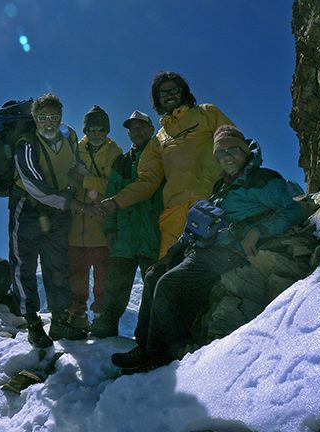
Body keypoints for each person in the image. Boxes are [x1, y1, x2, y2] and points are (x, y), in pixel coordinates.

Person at [111, 125, 305, 374]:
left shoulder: (264, 179)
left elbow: (292, 211)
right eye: (220, 154)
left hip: (227, 252)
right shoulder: (221, 186)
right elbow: (201, 223)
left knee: (170, 284)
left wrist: (259, 231)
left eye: (232, 150)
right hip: (201, 247)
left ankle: (159, 356)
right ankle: (144, 346)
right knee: (153, 274)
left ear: (245, 150)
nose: (227, 157)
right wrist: (172, 251)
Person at [98, 71, 234, 258]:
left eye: (174, 90)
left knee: (215, 271)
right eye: (163, 92)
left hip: (212, 205)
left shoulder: (207, 113)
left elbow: (232, 143)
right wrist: (116, 201)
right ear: (157, 99)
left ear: (183, 91)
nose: (169, 95)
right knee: (167, 275)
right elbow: (147, 181)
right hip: (174, 217)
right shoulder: (158, 140)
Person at [9, 93, 98, 348]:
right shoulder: (26, 144)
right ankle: (33, 323)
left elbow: (76, 166)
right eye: (43, 117)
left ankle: (59, 321)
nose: (49, 122)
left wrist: (90, 187)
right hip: (27, 208)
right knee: (24, 264)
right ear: (35, 119)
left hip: (58, 211)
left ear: (61, 117)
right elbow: (36, 186)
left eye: (54, 117)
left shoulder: (69, 135)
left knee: (57, 265)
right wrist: (76, 204)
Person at [90, 111, 163, 338]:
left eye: (141, 127)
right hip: (124, 235)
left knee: (154, 286)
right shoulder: (121, 162)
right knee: (115, 286)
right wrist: (109, 229)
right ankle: (105, 328)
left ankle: (148, 336)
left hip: (153, 233)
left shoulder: (162, 156)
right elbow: (110, 195)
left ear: (151, 129)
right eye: (133, 128)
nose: (137, 131)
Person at [64, 105, 122, 332]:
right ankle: (77, 316)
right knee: (76, 276)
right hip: (76, 227)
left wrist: (83, 180)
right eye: (92, 129)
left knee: (103, 278)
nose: (97, 134)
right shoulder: (76, 150)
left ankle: (100, 319)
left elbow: (113, 185)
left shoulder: (114, 152)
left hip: (101, 225)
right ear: (85, 129)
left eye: (101, 129)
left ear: (107, 130)